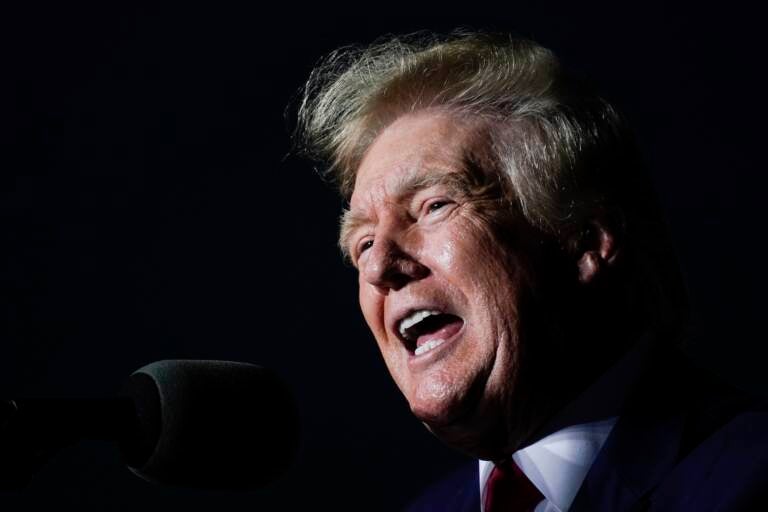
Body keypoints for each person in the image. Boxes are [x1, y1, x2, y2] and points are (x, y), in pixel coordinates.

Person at [295, 32, 768, 511]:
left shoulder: (747, 479)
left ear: (584, 241)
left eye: (433, 206)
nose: (378, 266)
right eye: (363, 243)